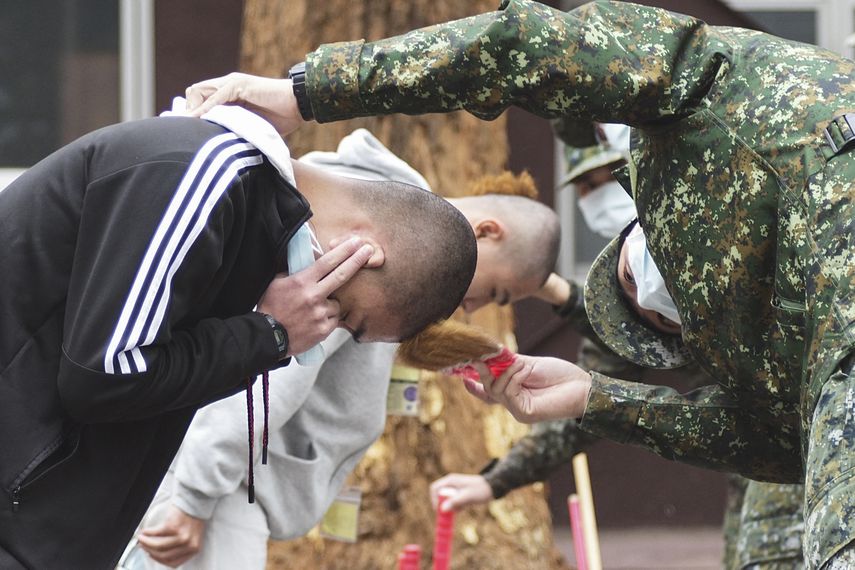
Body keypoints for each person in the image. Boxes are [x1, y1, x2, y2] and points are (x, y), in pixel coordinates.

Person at [183, 2, 855, 565]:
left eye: (638, 301)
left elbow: (529, 46)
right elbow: (784, 444)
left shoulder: (699, 105)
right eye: (659, 326)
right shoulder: (766, 347)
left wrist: (310, 91)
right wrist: (597, 399)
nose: (662, 307)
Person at [0, 107, 477, 569]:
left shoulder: (251, 219)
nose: (324, 326)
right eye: (346, 314)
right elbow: (102, 375)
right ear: (363, 251)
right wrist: (267, 334)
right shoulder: (205, 176)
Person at [133, 129, 561, 569]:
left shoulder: (381, 212)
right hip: (219, 489)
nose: (474, 306)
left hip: (228, 482)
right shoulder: (384, 249)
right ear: (487, 231)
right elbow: (265, 379)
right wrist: (192, 499)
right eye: (494, 291)